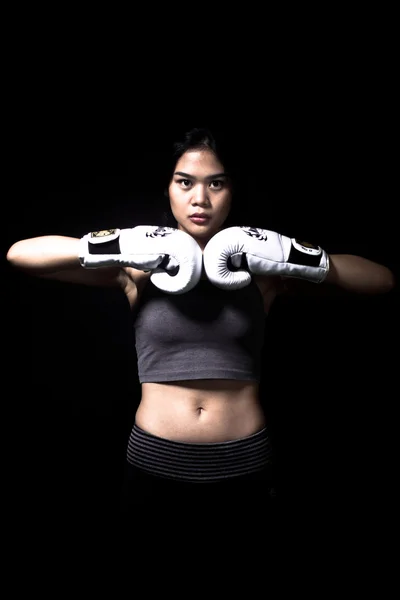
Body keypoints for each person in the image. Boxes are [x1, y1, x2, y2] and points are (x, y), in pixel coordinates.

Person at [6, 127, 396, 529]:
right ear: (168, 188)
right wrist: (118, 243)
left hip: (244, 457)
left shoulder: (262, 265)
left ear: (232, 191)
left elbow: (381, 280)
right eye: (185, 182)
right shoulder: (138, 264)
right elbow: (19, 255)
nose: (200, 199)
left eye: (216, 184)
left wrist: (293, 254)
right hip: (154, 457)